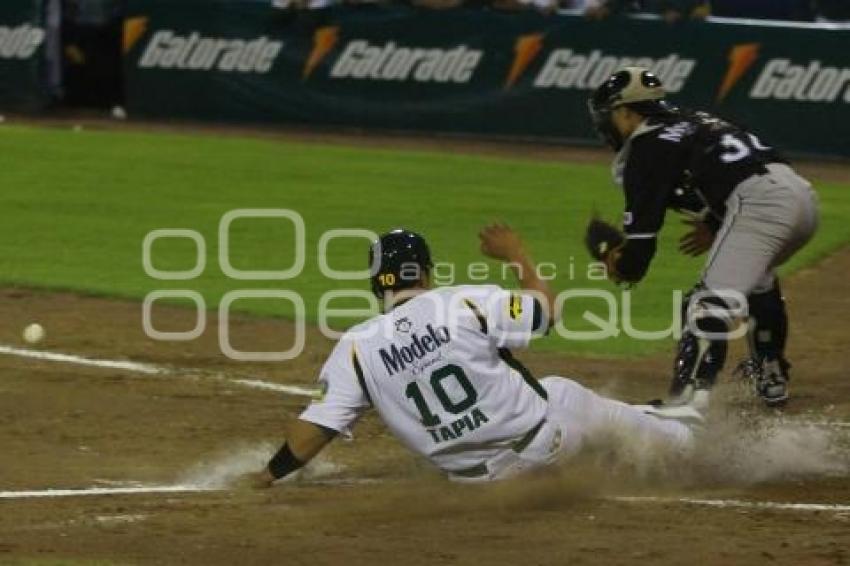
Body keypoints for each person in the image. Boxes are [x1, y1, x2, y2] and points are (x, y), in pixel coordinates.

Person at [244, 226, 701, 486]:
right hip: (545, 446)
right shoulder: (461, 302)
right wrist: (517, 254)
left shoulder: (355, 349)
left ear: (375, 282)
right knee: (566, 395)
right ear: (424, 272)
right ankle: (695, 448)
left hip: (477, 485)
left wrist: (268, 475)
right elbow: (548, 312)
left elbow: (312, 434)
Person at [586, 67, 819, 407]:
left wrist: (616, 261)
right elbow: (740, 163)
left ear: (625, 111)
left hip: (760, 205)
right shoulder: (695, 119)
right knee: (756, 280)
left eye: (608, 116)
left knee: (705, 308)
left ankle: (684, 410)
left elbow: (638, 257)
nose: (606, 126)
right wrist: (715, 222)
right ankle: (770, 375)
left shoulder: (645, 147)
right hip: (802, 197)